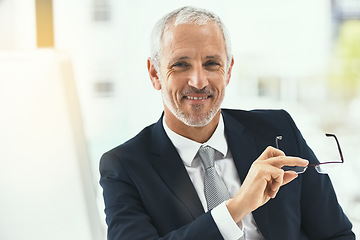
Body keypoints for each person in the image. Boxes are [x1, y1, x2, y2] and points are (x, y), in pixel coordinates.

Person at [99, 6, 355, 240]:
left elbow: (337, 234)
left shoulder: (278, 129)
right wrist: (237, 206)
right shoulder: (123, 167)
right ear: (155, 73)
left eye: (211, 64)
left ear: (229, 71)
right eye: (180, 65)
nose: (198, 81)